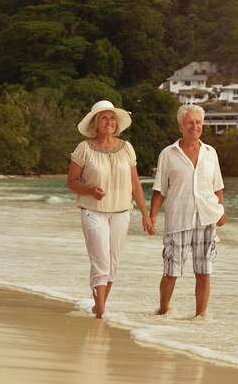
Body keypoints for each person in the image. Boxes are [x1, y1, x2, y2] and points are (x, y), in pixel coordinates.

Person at [67, 100, 154, 319]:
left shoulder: (127, 148)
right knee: (101, 262)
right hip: (93, 211)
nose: (110, 122)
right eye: (104, 118)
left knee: (113, 263)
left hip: (122, 213)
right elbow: (71, 182)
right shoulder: (84, 148)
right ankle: (101, 311)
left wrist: (146, 214)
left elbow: (135, 185)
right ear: (96, 123)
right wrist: (88, 190)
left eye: (113, 117)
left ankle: (100, 306)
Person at [149, 104, 227, 318]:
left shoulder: (211, 153)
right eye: (190, 122)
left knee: (204, 272)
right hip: (178, 220)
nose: (195, 126)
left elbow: (217, 186)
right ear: (181, 126)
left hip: (207, 219)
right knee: (171, 272)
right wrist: (152, 216)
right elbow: (159, 190)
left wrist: (221, 210)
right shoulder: (168, 154)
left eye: (198, 122)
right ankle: (163, 310)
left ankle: (200, 316)